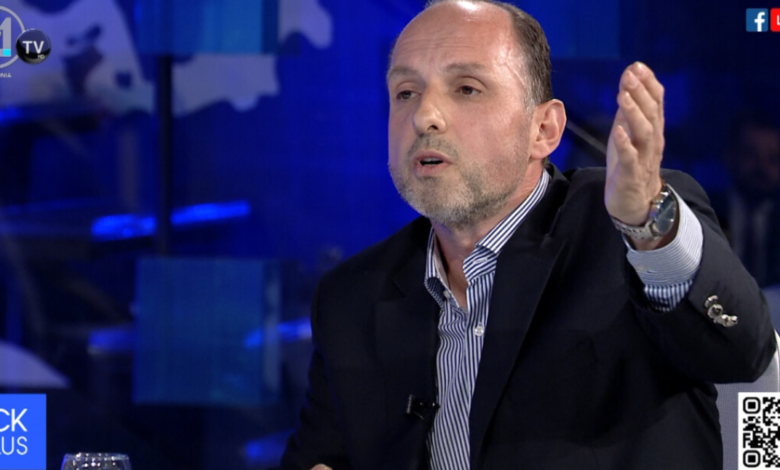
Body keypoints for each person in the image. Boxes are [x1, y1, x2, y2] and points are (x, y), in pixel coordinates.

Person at [279, 1, 776, 469]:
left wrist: (648, 224)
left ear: (544, 130)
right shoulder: (351, 297)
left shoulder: (622, 232)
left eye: (466, 88)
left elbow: (744, 351)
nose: (424, 115)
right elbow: (319, 456)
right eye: (405, 92)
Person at [710, 110, 780, 288]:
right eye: (750, 154)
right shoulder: (704, 212)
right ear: (730, 156)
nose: (761, 167)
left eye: (773, 158)